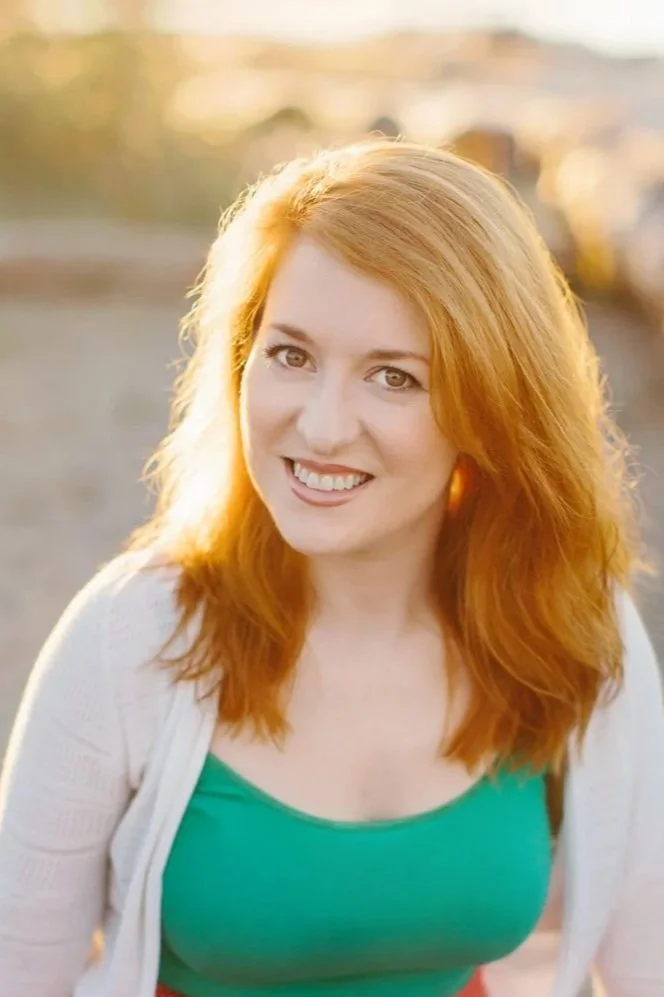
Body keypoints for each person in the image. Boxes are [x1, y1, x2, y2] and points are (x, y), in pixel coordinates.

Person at [0, 138, 662, 997]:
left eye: (395, 377)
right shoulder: (131, 634)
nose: (319, 426)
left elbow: (646, 958)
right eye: (291, 354)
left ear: (492, 405)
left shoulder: (573, 623)